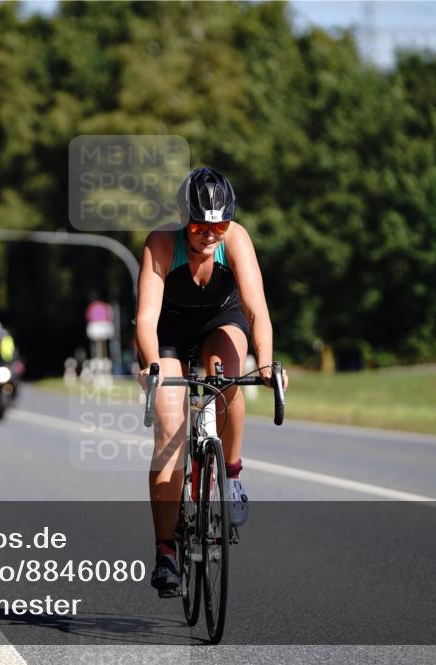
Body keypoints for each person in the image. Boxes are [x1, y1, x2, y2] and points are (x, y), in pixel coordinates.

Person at [135, 167, 290, 595]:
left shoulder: (235, 239)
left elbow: (257, 311)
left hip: (221, 321)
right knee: (171, 430)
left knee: (230, 375)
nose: (210, 233)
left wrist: (268, 366)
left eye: (219, 223)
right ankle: (166, 550)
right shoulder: (162, 243)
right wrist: (152, 368)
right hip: (167, 334)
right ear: (184, 217)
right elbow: (146, 320)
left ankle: (232, 472)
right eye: (201, 224)